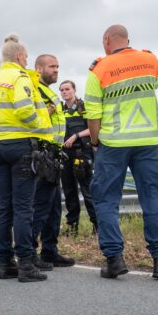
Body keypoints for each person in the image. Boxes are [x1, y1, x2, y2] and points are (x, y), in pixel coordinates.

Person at [85, 24, 158, 280]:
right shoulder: (150, 60)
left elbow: (93, 114)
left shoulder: (99, 69)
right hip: (149, 141)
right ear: (128, 39)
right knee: (153, 199)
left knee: (105, 200)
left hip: (113, 144)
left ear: (106, 40)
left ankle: (114, 260)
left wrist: (95, 141)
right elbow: (154, 85)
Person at [0, 33, 53, 282]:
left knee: (4, 205)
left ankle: (5, 264)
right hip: (20, 145)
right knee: (23, 207)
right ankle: (26, 264)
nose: (27, 61)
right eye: (26, 56)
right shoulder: (20, 77)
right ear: (18, 56)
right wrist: (36, 127)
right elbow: (26, 108)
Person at [31, 55, 76, 269]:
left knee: (54, 208)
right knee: (40, 206)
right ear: (39, 69)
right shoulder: (34, 89)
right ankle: (29, 252)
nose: (56, 70)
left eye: (58, 66)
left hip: (54, 154)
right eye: (52, 66)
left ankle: (50, 251)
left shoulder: (48, 91)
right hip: (42, 154)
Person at [59, 80, 98, 235]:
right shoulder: (59, 110)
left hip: (82, 153)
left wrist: (76, 135)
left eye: (67, 89)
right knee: (69, 192)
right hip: (65, 155)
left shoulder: (83, 107)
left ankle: (97, 226)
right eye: (61, 90)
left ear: (74, 90)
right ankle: (72, 226)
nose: (64, 92)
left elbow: (94, 127)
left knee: (87, 191)